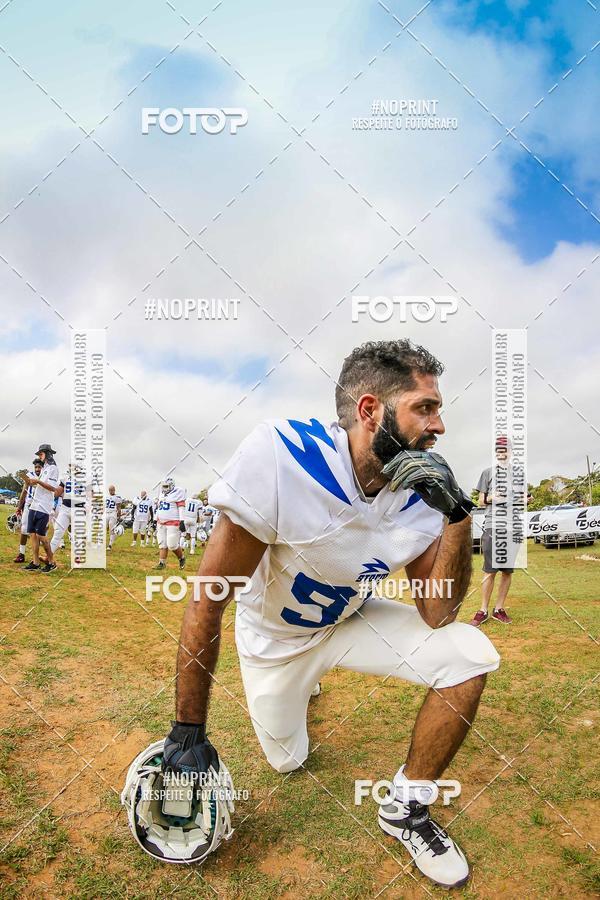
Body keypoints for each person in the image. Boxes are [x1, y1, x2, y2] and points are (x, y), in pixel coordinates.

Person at [160, 340, 500, 889]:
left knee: (469, 654)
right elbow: (208, 597)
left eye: (438, 409)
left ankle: (405, 809)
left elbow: (438, 614)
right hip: (277, 642)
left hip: (350, 622)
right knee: (287, 760)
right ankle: (303, 693)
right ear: (370, 410)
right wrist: (187, 729)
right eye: (425, 407)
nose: (439, 427)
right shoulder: (283, 456)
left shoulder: (418, 492)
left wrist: (458, 518)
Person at [470, 438, 518, 627]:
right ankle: (483, 609)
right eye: (499, 449)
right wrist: (492, 497)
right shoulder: (487, 473)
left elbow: (524, 498)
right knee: (490, 571)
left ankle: (499, 609)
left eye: (505, 448)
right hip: (493, 526)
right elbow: (481, 501)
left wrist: (526, 498)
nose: (502, 451)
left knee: (507, 571)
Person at [23, 444, 59, 573]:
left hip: (44, 507)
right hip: (34, 505)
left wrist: (37, 482)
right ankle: (36, 562)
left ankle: (51, 562)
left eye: (41, 454)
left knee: (42, 536)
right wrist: (32, 482)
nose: (39, 456)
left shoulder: (53, 469)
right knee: (32, 534)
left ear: (48, 454)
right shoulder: (44, 468)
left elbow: (53, 488)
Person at [13, 458, 43, 563]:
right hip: (29, 505)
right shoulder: (30, 475)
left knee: (38, 533)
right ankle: (21, 554)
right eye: (36, 467)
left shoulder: (46, 476)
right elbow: (24, 492)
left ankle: (36, 557)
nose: (37, 469)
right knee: (24, 530)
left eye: (39, 467)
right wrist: (19, 506)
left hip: (40, 506)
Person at [155, 477, 186, 569]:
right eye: (163, 486)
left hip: (173, 522)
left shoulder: (178, 493)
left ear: (171, 486)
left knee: (172, 545)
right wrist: (154, 519)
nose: (164, 488)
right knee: (162, 543)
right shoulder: (161, 494)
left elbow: (181, 508)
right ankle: (162, 563)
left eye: (166, 486)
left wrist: (182, 521)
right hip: (160, 522)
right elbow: (159, 508)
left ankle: (181, 558)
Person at [106, 485, 122, 551]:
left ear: (114, 490)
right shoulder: (106, 496)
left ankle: (110, 545)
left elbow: (119, 508)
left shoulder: (117, 497)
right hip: (106, 513)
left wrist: (119, 516)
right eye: (110, 490)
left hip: (113, 513)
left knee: (111, 528)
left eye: (112, 490)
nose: (111, 491)